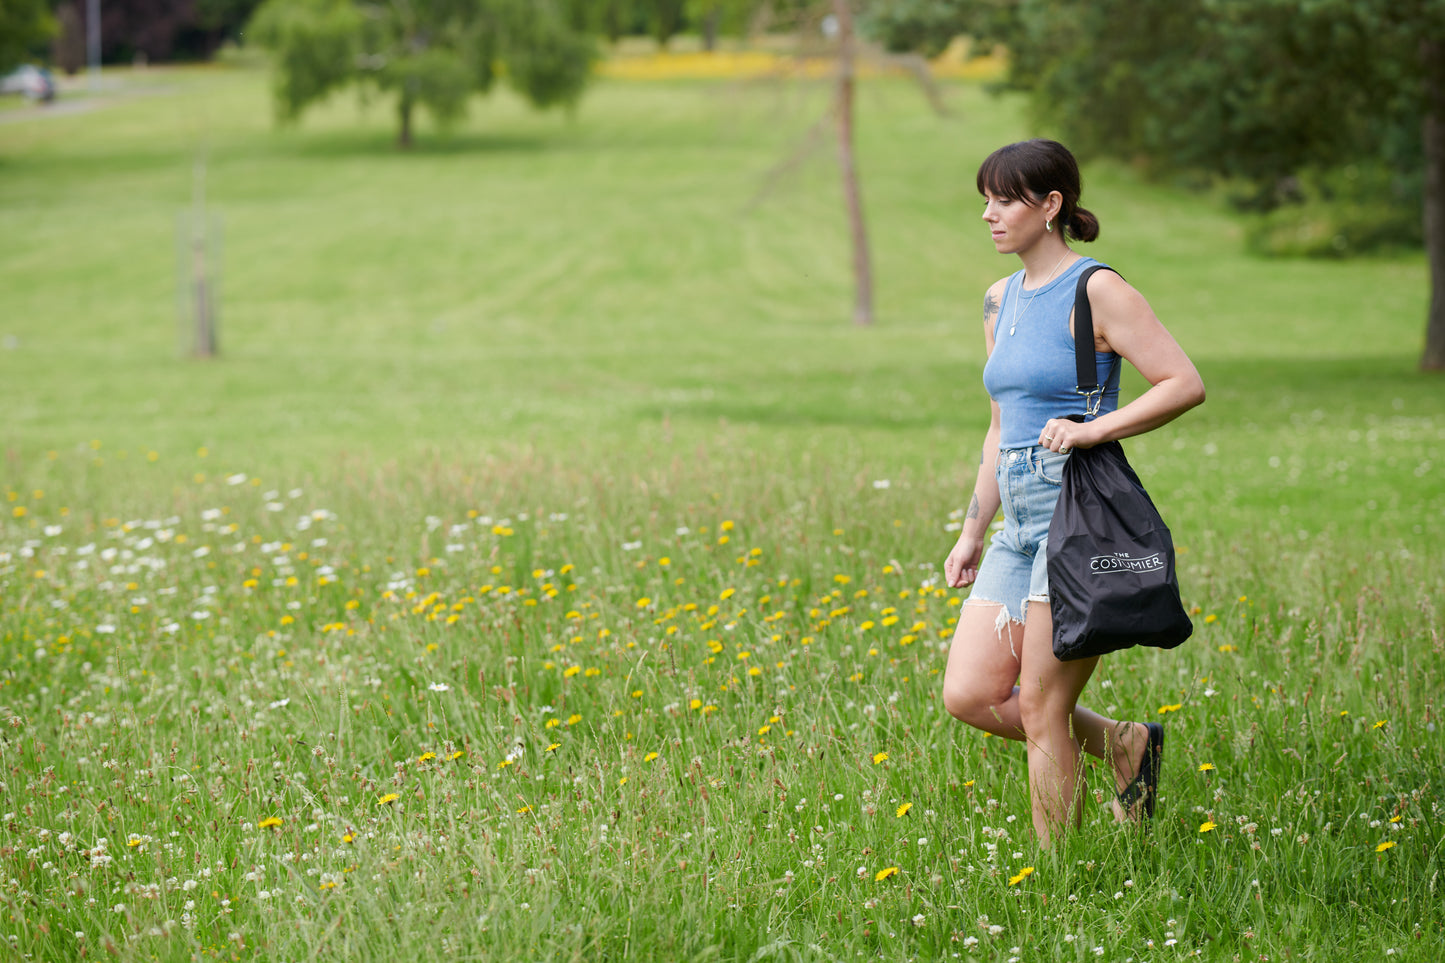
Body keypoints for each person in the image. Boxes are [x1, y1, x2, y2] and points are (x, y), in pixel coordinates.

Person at [942, 139, 1205, 846]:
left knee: (1038, 705)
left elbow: (1183, 383)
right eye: (985, 199)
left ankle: (1056, 878)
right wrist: (973, 528)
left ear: (1050, 204)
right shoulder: (998, 299)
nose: (988, 214)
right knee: (967, 693)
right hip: (1017, 516)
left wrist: (1093, 430)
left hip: (1075, 512)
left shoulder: (1097, 289)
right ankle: (1124, 743)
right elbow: (1000, 426)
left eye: (1003, 199)